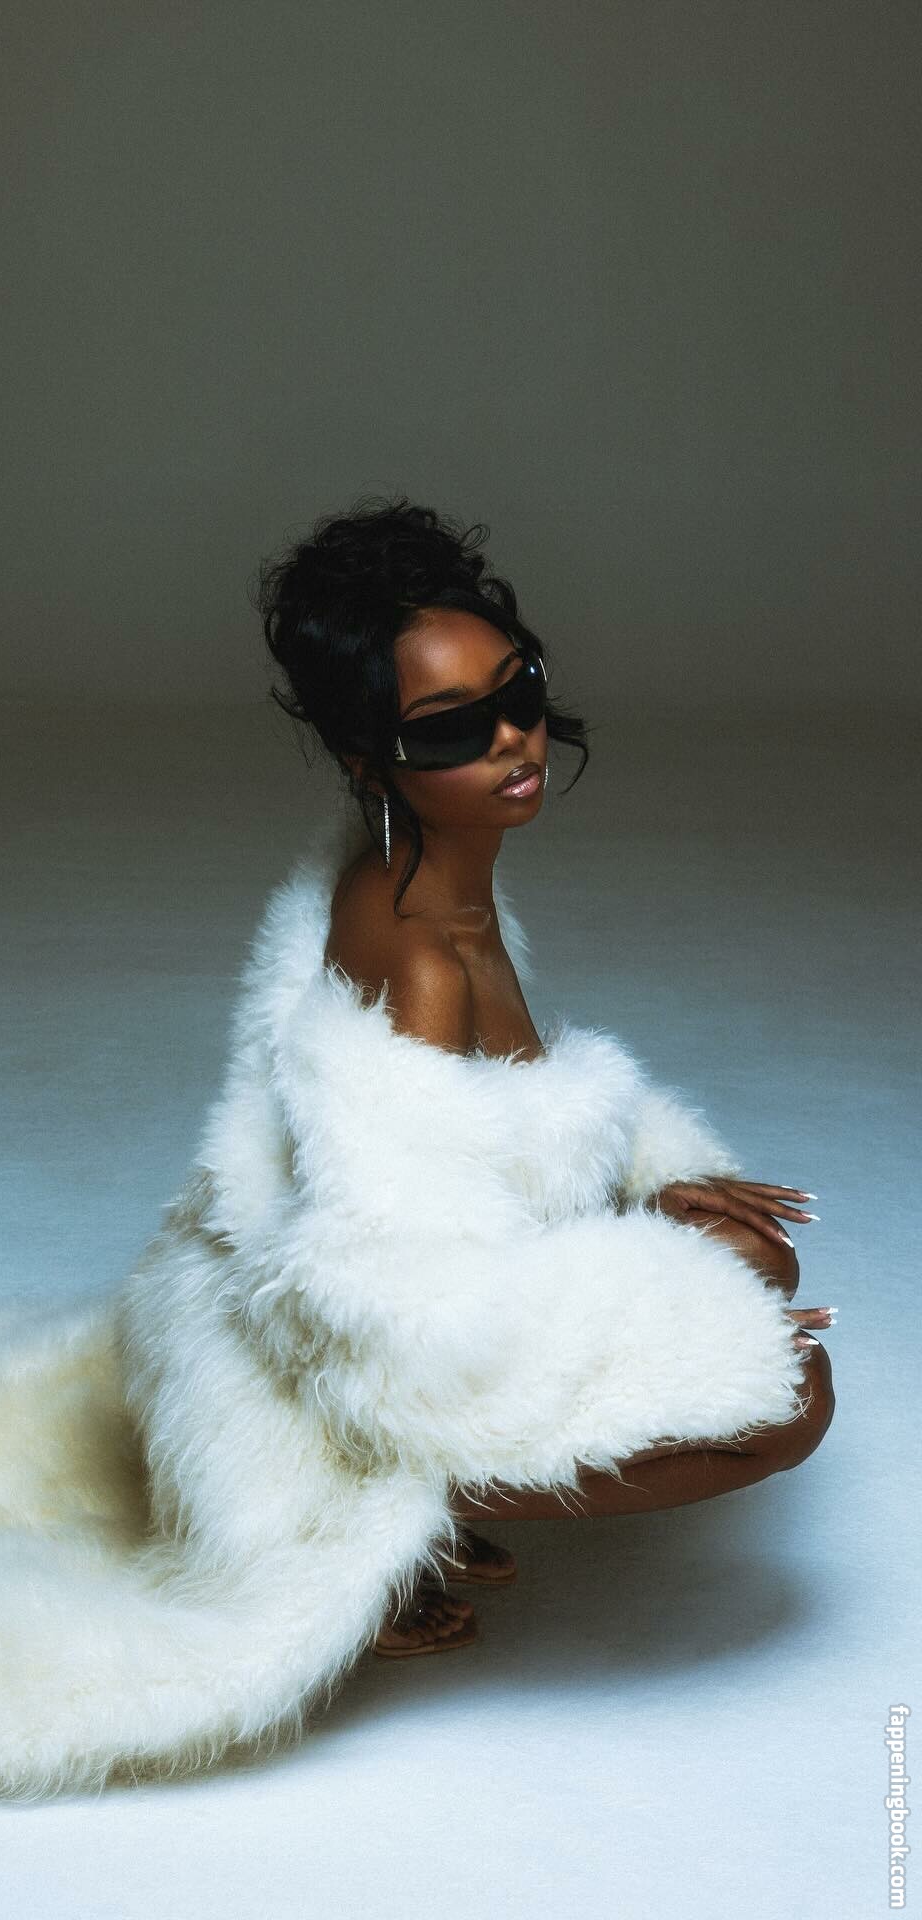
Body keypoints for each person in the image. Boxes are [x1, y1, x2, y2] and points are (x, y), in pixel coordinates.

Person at [255, 495, 836, 1660]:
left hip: (442, 1252)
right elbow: (403, 1311)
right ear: (373, 761)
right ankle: (377, 1507)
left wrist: (648, 1188)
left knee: (753, 1252)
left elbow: (499, 1119)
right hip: (388, 1347)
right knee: (786, 1408)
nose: (513, 742)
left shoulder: (443, 875)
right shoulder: (422, 960)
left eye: (517, 693)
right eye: (450, 731)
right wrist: (682, 1318)